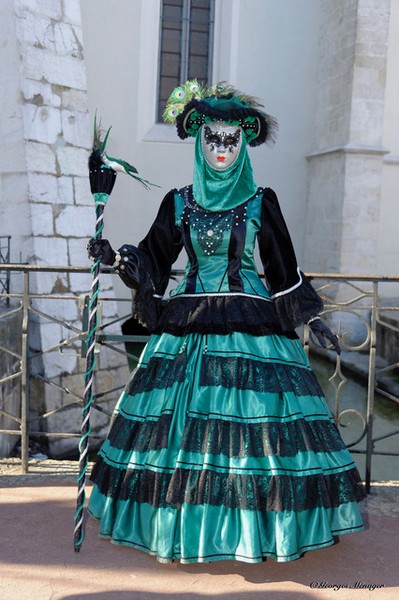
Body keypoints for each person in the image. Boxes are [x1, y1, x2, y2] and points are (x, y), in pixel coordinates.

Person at [87, 81, 365, 564]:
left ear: (242, 145)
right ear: (199, 142)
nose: (220, 149)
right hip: (188, 317)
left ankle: (256, 531)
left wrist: (310, 316)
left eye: (230, 140)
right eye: (212, 139)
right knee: (181, 430)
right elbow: (152, 259)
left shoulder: (261, 201)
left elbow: (282, 267)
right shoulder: (178, 201)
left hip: (251, 318)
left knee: (256, 427)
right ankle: (188, 528)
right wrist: (114, 257)